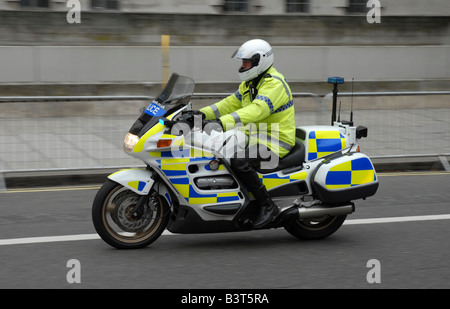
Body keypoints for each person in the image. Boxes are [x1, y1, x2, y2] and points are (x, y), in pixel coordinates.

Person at [199, 39, 296, 229]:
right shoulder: (250, 83)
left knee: (239, 161)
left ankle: (268, 206)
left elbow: (256, 110)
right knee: (214, 150)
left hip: (276, 140)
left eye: (246, 62)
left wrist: (220, 123)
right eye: (242, 62)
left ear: (260, 60)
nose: (243, 66)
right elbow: (228, 104)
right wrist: (200, 113)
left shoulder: (274, 84)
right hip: (254, 136)